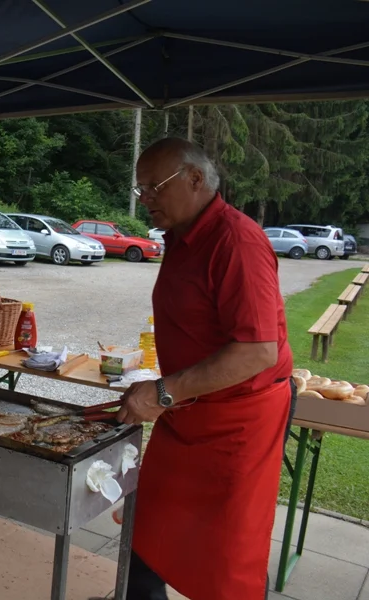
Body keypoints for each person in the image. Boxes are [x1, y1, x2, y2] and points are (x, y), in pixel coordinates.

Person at [118, 138, 295, 600]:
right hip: (189, 411)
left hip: (239, 421)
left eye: (154, 186)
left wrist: (164, 391)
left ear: (196, 179)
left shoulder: (237, 241)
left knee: (224, 557)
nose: (147, 199)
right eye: (141, 190)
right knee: (149, 525)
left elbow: (258, 351)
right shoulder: (179, 236)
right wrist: (166, 390)